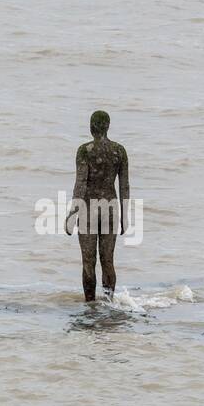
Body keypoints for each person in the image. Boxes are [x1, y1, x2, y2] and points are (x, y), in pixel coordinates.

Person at [65, 110, 129, 302]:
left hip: (87, 210)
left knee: (88, 262)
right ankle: (109, 303)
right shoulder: (119, 151)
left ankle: (90, 305)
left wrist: (71, 215)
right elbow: (124, 186)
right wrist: (125, 217)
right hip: (111, 209)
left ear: (91, 127)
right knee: (108, 260)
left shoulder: (85, 151)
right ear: (108, 127)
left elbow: (80, 184)